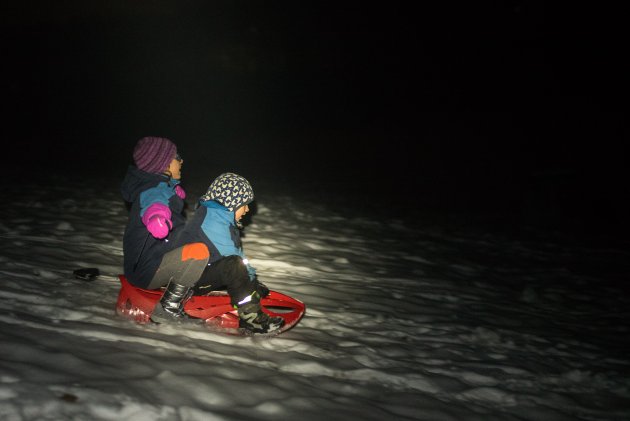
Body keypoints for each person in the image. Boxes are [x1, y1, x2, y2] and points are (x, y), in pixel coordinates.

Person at [120, 137, 283, 333]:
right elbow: (154, 204)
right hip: (147, 269)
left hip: (159, 263)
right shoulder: (154, 190)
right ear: (163, 164)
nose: (181, 161)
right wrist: (157, 218)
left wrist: (249, 281)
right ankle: (168, 308)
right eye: (176, 157)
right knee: (201, 253)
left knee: (215, 259)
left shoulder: (166, 190)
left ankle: (179, 299)